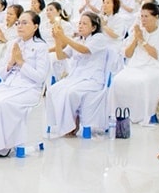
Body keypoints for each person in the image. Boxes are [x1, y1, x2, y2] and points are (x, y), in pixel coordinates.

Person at [0, 11, 50, 157]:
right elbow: (1, 74)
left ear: (35, 26)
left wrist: (21, 62)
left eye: (25, 23)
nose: (20, 26)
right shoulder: (14, 44)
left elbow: (39, 78)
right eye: (18, 23)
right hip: (9, 85)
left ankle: (4, 146)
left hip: (29, 89)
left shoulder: (41, 47)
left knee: (3, 104)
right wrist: (10, 63)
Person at [43, 10, 111, 139]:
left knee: (70, 92)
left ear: (94, 27)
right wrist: (58, 40)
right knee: (53, 90)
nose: (80, 26)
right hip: (76, 77)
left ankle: (72, 126)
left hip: (92, 79)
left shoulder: (99, 39)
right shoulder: (77, 39)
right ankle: (59, 124)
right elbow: (60, 55)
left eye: (84, 24)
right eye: (79, 23)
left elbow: (85, 50)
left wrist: (64, 37)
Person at [107, 2, 159, 125]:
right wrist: (136, 39)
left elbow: (157, 55)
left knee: (141, 82)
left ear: (156, 17)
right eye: (142, 16)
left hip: (154, 67)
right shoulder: (137, 32)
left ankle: (140, 115)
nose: (143, 19)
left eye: (147, 16)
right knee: (118, 80)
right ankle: (116, 114)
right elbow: (128, 54)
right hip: (135, 66)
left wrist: (142, 40)